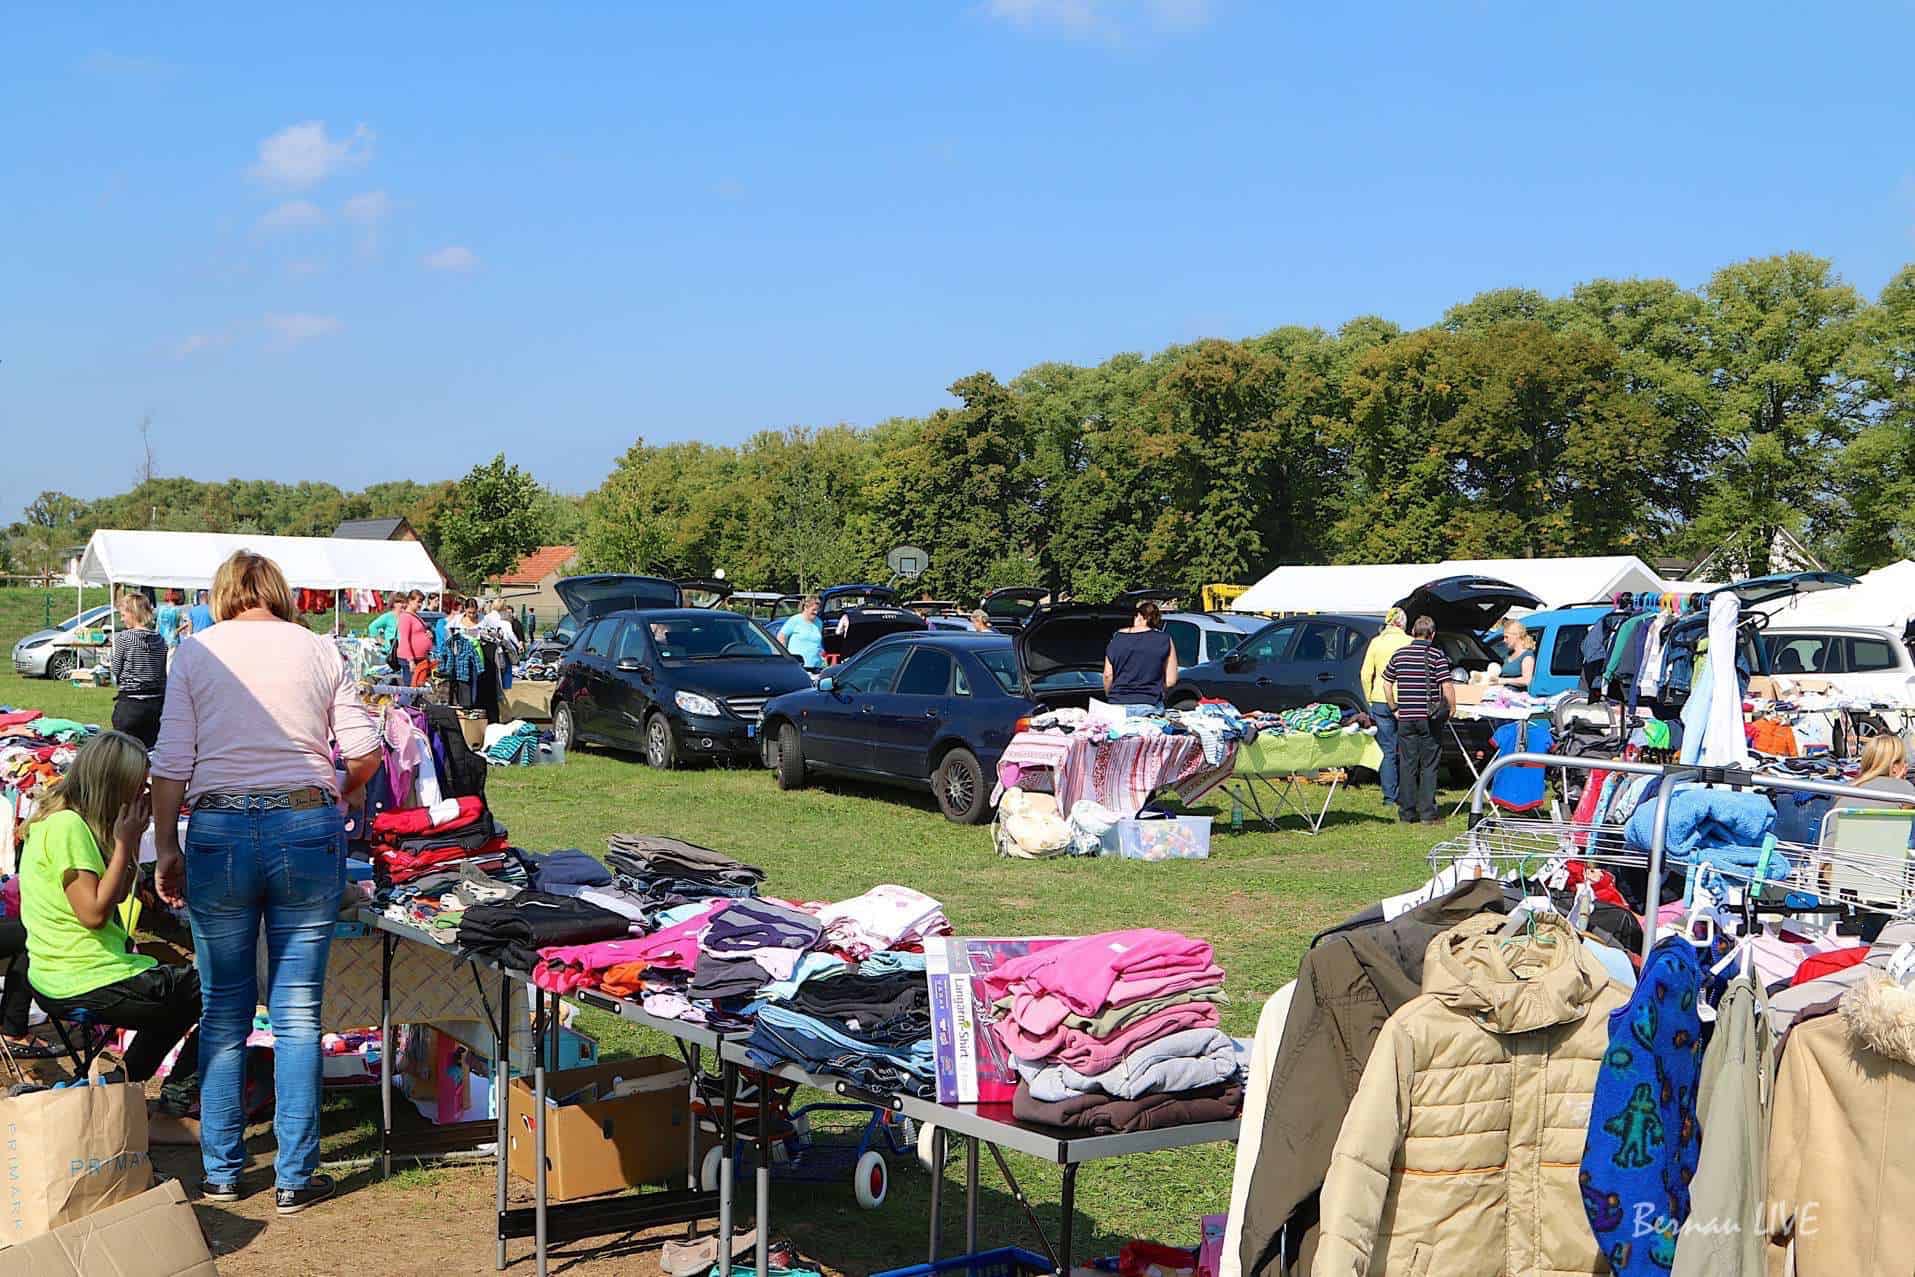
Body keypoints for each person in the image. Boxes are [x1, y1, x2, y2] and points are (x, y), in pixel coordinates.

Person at [150, 550, 382, 1214]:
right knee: (298, 1013)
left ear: (224, 594)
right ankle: (294, 1176)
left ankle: (222, 1170)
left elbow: (171, 761)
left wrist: (167, 846)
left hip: (218, 828)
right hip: (304, 826)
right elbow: (364, 751)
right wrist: (338, 789)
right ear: (278, 593)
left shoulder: (196, 652)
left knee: (223, 1010)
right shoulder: (320, 650)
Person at [20, 731, 203, 1089]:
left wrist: (130, 843)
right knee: (218, 991)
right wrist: (122, 844)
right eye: (137, 787)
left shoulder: (71, 821)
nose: (143, 796)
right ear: (113, 786)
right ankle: (174, 1102)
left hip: (69, 972)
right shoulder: (67, 826)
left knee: (190, 991)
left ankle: (120, 1085)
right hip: (84, 977)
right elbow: (93, 914)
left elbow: (116, 895)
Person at [1382, 615, 1455, 825]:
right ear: (1432, 634)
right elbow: (1447, 686)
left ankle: (1406, 812)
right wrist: (1452, 709)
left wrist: (1393, 707)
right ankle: (1427, 813)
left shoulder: (1400, 654)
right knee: (1429, 765)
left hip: (1405, 718)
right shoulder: (1436, 655)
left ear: (1413, 632)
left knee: (1407, 764)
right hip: (1428, 717)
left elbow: (1386, 683)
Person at [1358, 608, 1411, 810]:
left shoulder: (1376, 642)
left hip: (1380, 699)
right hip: (1405, 700)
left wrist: (1369, 698)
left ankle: (1390, 796)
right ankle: (1408, 793)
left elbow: (1365, 674)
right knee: (1407, 750)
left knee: (1387, 750)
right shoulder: (1409, 642)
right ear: (1402, 624)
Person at [108, 592, 169, 748]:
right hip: (156, 706)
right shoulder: (160, 639)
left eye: (123, 615)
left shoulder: (125, 637)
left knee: (125, 753)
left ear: (132, 613)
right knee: (149, 751)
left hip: (131, 704)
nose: (121, 619)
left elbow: (115, 669)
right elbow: (162, 672)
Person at [1102, 598, 1178, 710]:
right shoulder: (1164, 639)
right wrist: (1154, 689)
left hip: (1117, 704)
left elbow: (1108, 675)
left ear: (1139, 616)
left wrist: (1110, 694)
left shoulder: (1117, 639)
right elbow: (1171, 680)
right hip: (1149, 703)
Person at [1832, 735, 1915, 811]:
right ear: (1894, 767)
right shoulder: (1906, 794)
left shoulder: (1844, 791)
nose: (1906, 765)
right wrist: (1900, 784)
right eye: (1904, 762)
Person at [777, 596, 826, 672]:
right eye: (813, 610)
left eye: (817, 610)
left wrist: (823, 659)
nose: (816, 612)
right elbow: (781, 637)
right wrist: (786, 657)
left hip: (816, 666)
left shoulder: (819, 623)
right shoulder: (795, 620)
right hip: (798, 666)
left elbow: (818, 644)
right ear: (806, 607)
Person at [395, 590, 433, 686]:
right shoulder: (405, 617)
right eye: (418, 601)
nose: (420, 604)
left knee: (418, 688)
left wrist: (427, 635)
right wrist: (411, 661)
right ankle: (401, 701)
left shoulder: (416, 616)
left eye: (421, 602)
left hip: (420, 658)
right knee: (411, 688)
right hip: (410, 659)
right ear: (410, 601)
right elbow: (404, 640)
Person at [1490, 619, 1536, 690]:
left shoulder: (1527, 656)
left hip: (1515, 697)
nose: (1504, 640)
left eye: (1506, 637)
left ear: (1516, 635)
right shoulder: (1509, 654)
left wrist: (1504, 681)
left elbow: (1526, 680)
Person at [155, 589, 186, 659]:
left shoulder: (161, 609)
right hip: (173, 640)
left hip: (161, 639)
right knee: (170, 662)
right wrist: (177, 630)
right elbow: (187, 622)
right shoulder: (178, 610)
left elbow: (158, 624)